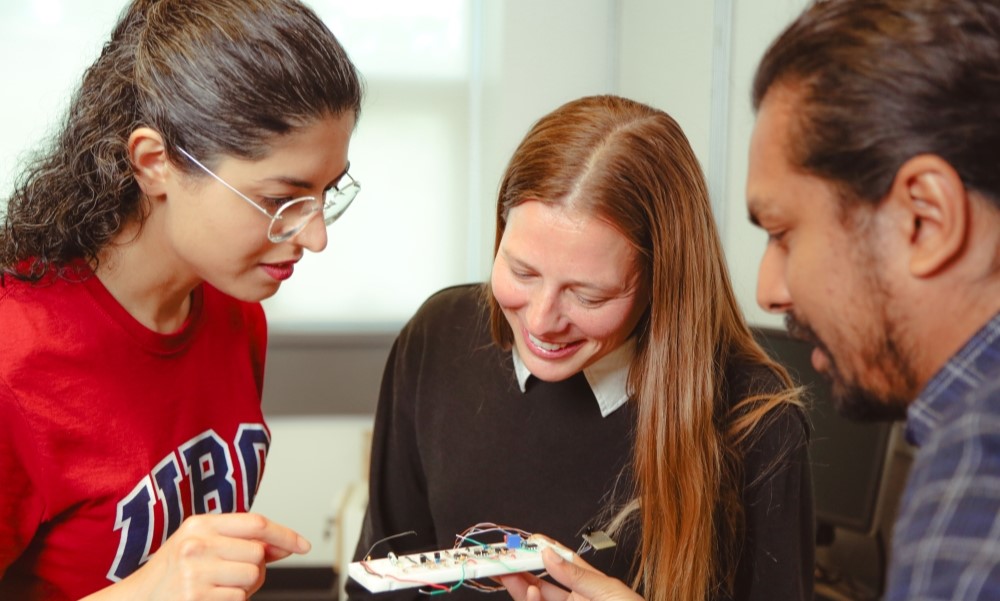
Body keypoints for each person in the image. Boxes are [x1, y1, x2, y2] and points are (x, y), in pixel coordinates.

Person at [504, 1, 1000, 600]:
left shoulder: (976, 480)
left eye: (784, 233)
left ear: (926, 218)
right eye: (523, 270)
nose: (768, 290)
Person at [348, 95, 813, 601]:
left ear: (663, 282)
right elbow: (381, 577)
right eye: (522, 272)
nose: (543, 321)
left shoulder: (756, 418)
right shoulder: (437, 337)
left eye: (588, 295)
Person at [0, 0, 362, 599]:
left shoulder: (234, 311)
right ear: (154, 162)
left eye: (328, 191)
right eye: (280, 200)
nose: (315, 236)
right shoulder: (16, 362)